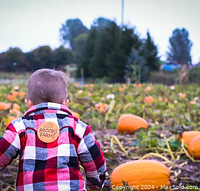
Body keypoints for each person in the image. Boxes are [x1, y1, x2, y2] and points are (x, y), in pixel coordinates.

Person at [0, 68, 106, 191]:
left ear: (28, 103)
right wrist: (95, 183)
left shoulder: (19, 127)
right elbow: (94, 160)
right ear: (65, 103)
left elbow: (2, 153)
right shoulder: (77, 127)